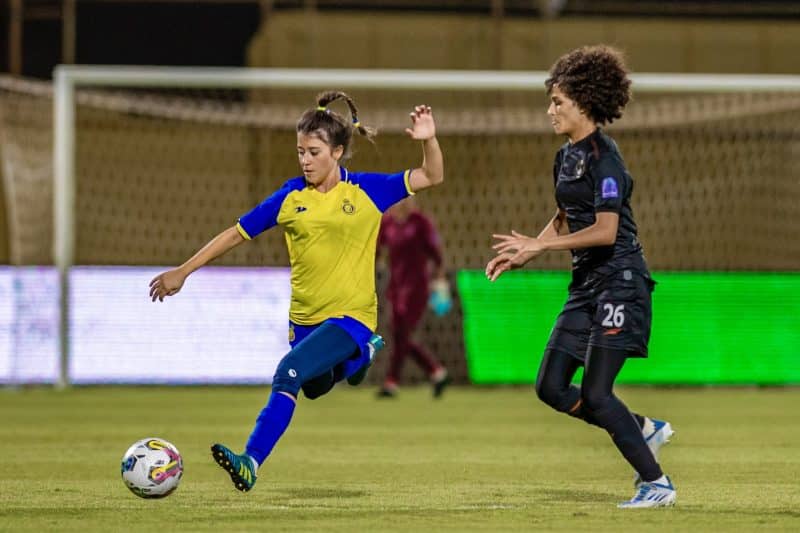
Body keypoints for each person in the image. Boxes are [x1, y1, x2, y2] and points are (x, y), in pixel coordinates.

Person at [149, 92, 443, 492]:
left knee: (287, 373)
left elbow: (431, 176)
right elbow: (236, 233)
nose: (305, 160)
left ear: (337, 152)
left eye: (314, 151)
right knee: (316, 387)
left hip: (352, 316)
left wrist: (428, 139)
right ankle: (363, 357)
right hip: (304, 320)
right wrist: (183, 271)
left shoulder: (368, 191)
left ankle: (250, 460)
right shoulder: (289, 197)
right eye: (300, 151)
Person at [485, 45, 676, 509]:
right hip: (586, 288)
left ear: (585, 104)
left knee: (595, 391)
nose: (550, 110)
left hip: (620, 282)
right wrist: (527, 250)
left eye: (558, 103)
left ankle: (657, 484)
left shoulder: (605, 159)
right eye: (551, 102)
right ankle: (640, 427)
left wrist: (541, 246)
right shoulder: (564, 156)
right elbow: (567, 215)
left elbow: (607, 231)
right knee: (550, 386)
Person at [376, 196, 451, 398]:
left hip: (417, 286)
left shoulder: (420, 222)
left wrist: (440, 277)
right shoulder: (388, 222)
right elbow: (376, 248)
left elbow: (435, 252)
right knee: (400, 334)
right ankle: (436, 372)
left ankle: (392, 382)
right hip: (396, 285)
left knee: (401, 333)